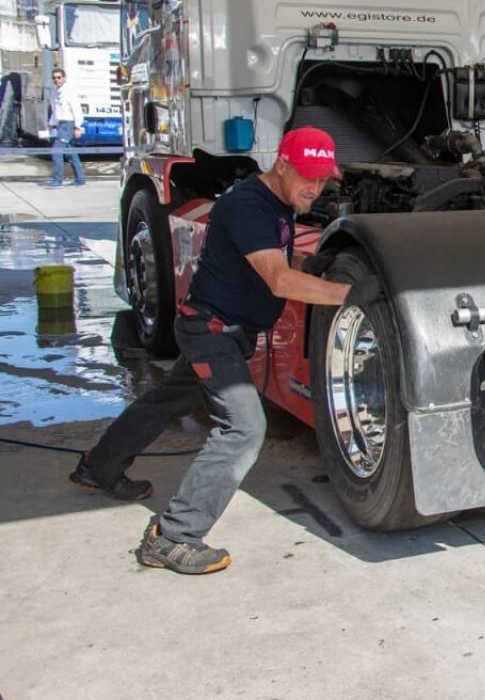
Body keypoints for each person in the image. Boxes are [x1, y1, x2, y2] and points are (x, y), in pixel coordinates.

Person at [70, 127, 373, 573]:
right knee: (244, 428)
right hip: (212, 332)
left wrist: (314, 266)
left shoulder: (277, 204)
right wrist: (352, 294)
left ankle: (99, 467)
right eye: (307, 176)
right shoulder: (249, 205)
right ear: (282, 165)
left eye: (322, 178)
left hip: (219, 327)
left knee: (165, 401)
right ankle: (174, 536)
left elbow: (270, 261)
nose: (315, 187)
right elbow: (279, 280)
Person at [42, 67, 86, 187]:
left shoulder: (69, 91)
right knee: (70, 153)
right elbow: (56, 111)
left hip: (68, 125)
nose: (56, 80)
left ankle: (58, 180)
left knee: (56, 151)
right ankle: (80, 179)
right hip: (60, 124)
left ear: (64, 78)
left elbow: (77, 110)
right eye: (54, 78)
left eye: (59, 77)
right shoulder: (55, 92)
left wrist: (78, 127)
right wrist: (50, 124)